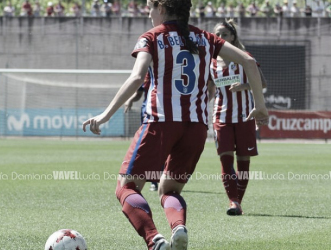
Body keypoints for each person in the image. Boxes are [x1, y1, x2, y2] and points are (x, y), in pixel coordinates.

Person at [83, 0, 268, 249]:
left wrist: (105, 114)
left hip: (161, 123)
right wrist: (260, 105)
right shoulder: (205, 38)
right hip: (196, 128)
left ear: (161, 8)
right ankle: (178, 228)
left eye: (150, 7)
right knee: (170, 190)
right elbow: (247, 60)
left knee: (126, 187)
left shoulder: (152, 37)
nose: (148, 13)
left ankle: (155, 240)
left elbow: (137, 77)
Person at [208, 19, 267, 216]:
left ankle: (238, 202)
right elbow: (208, 90)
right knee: (225, 161)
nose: (221, 38)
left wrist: (245, 86)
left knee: (243, 162)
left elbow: (263, 83)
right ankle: (233, 201)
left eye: (225, 34)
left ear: (232, 36)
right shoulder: (211, 62)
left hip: (245, 116)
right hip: (221, 116)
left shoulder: (245, 58)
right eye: (218, 34)